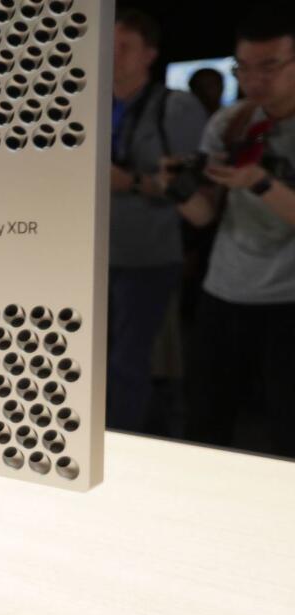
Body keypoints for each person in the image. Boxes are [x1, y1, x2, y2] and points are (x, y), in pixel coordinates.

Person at [167, 4, 295, 457]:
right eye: (245, 68)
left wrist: (259, 182)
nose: (255, 80)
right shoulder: (231, 122)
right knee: (205, 422)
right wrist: (177, 189)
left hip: (287, 300)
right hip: (224, 290)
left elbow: (256, 187)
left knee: (285, 429)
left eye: (270, 66)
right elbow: (205, 216)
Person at [106, 9, 208, 432]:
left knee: (127, 362)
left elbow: (193, 196)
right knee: (92, 359)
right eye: (107, 46)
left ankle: (121, 447)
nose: (112, 55)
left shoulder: (176, 107)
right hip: (92, 253)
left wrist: (129, 181)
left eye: (124, 47)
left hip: (147, 253)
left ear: (150, 54)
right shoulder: (90, 103)